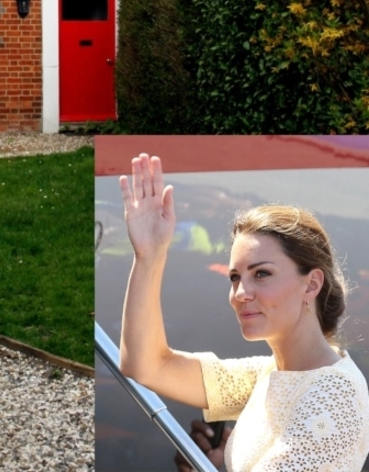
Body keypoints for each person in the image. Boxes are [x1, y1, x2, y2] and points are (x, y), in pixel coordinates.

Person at [119, 152, 369, 472]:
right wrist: (149, 254)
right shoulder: (270, 374)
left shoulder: (334, 395)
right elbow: (147, 365)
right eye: (235, 277)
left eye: (261, 274)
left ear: (311, 284)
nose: (240, 294)